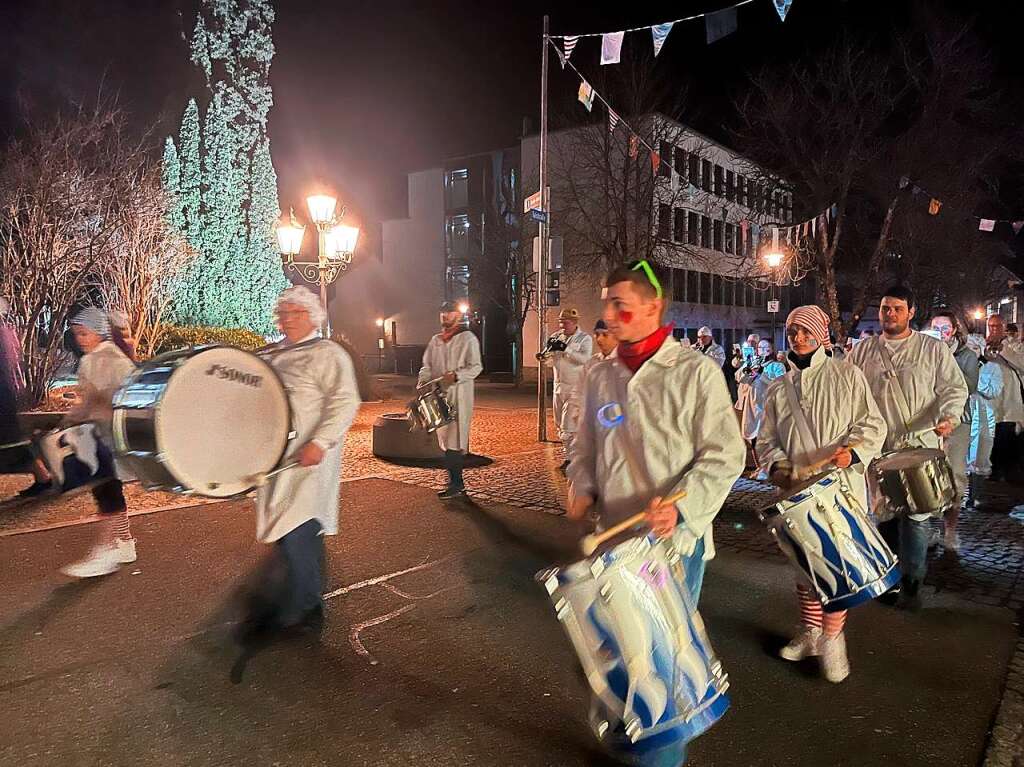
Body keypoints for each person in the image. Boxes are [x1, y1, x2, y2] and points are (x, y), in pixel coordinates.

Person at [568, 260, 745, 767]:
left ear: (652, 307)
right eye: (607, 304)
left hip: (670, 547)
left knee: (661, 670)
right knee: (622, 655)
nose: (610, 314)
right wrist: (581, 485)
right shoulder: (600, 376)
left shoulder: (695, 372)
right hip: (611, 544)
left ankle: (660, 757)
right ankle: (633, 740)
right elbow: (584, 447)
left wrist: (681, 510)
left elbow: (724, 454)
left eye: (620, 304)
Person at [758, 306, 887, 683]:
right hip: (798, 491)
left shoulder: (847, 376)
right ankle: (811, 632)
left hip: (841, 488)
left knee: (837, 566)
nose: (798, 338)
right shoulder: (778, 388)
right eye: (793, 331)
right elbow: (767, 439)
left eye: (805, 331)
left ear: (820, 334)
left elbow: (871, 423)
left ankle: (833, 639)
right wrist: (777, 466)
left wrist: (854, 451)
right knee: (804, 564)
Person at [241, 286, 360, 639]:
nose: (287, 319)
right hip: (278, 456)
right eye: (283, 313)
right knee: (289, 526)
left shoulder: (327, 353)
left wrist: (320, 441)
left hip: (308, 458)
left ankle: (306, 607)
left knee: (298, 526)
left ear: (311, 316)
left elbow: (345, 400)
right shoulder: (274, 354)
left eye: (294, 312)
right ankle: (301, 591)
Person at [847, 286, 968, 611]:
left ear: (911, 312)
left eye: (897, 308)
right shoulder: (862, 351)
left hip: (918, 446)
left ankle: (912, 581)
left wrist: (948, 416)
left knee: (916, 516)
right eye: (886, 308)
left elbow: (954, 387)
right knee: (884, 515)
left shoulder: (932, 349)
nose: (890, 314)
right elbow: (847, 390)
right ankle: (888, 578)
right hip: (879, 448)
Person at [59, 308, 138, 578]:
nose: (80, 339)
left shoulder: (99, 360)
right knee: (108, 490)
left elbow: (95, 401)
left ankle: (106, 551)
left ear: (98, 331)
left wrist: (71, 418)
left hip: (102, 435)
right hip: (109, 434)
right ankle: (124, 544)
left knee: (105, 490)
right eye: (77, 334)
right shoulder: (112, 358)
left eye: (84, 332)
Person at [418, 301, 483, 499]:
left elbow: (476, 366)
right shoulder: (435, 340)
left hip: (458, 396)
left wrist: (456, 376)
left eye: (449, 313)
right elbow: (426, 365)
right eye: (443, 312)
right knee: (445, 440)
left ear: (457, 315)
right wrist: (423, 381)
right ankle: (456, 482)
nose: (445, 316)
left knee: (454, 440)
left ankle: (456, 483)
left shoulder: (467, 338)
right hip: (438, 396)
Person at [929, 311, 978, 551]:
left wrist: (947, 359)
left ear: (954, 330)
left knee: (956, 474)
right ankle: (928, 528)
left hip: (958, 422)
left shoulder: (966, 355)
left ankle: (950, 530)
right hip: (928, 421)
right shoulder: (924, 352)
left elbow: (969, 386)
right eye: (935, 327)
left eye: (945, 327)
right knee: (929, 477)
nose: (940, 332)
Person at [544, 308, 592, 473]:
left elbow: (584, 359)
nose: (563, 325)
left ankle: (571, 459)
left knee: (568, 426)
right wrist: (547, 356)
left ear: (575, 323)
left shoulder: (584, 339)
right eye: (561, 322)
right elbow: (552, 361)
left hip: (575, 388)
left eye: (566, 322)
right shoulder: (557, 337)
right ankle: (572, 456)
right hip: (559, 386)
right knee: (559, 424)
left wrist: (566, 348)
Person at [983, 315, 1024, 483]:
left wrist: (1002, 349)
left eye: (997, 326)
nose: (994, 329)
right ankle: (994, 470)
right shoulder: (982, 345)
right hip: (990, 400)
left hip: (1010, 399)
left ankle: (1007, 472)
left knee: (1007, 435)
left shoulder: (1015, 346)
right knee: (991, 437)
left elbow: (1021, 363)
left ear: (1004, 327)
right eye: (991, 326)